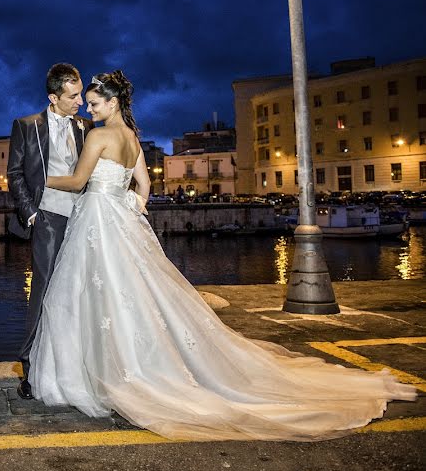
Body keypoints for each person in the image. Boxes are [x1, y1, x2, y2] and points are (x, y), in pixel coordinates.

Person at [29, 70, 417, 441]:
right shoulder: (131, 136)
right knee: (133, 293)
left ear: (111, 103)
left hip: (97, 218)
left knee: (95, 295)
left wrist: (41, 176)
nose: (89, 109)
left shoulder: (98, 136)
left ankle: (102, 372)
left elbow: (78, 182)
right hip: (119, 221)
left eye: (94, 103)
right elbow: (144, 185)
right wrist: (132, 204)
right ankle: (130, 365)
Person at [7, 62, 94, 399]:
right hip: (47, 218)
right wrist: (31, 214)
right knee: (43, 292)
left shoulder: (86, 127)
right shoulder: (26, 126)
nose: (80, 103)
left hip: (83, 218)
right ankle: (30, 368)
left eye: (80, 95)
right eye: (73, 97)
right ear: (53, 96)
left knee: (80, 292)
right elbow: (15, 174)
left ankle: (75, 366)